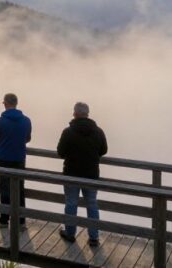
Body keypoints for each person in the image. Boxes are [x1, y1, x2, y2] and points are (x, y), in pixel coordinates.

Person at [58, 102, 109, 247]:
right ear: (87, 114)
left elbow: (60, 152)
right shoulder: (98, 132)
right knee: (92, 204)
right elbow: (104, 150)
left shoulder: (68, 132)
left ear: (75, 113)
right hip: (91, 174)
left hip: (71, 174)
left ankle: (70, 233)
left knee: (71, 203)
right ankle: (94, 237)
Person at [0, 92, 32, 227]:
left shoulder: (0, 121)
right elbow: (28, 138)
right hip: (19, 159)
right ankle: (21, 221)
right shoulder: (26, 121)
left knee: (4, 189)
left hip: (3, 159)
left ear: (5, 104)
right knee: (20, 190)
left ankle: (4, 220)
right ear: (16, 104)